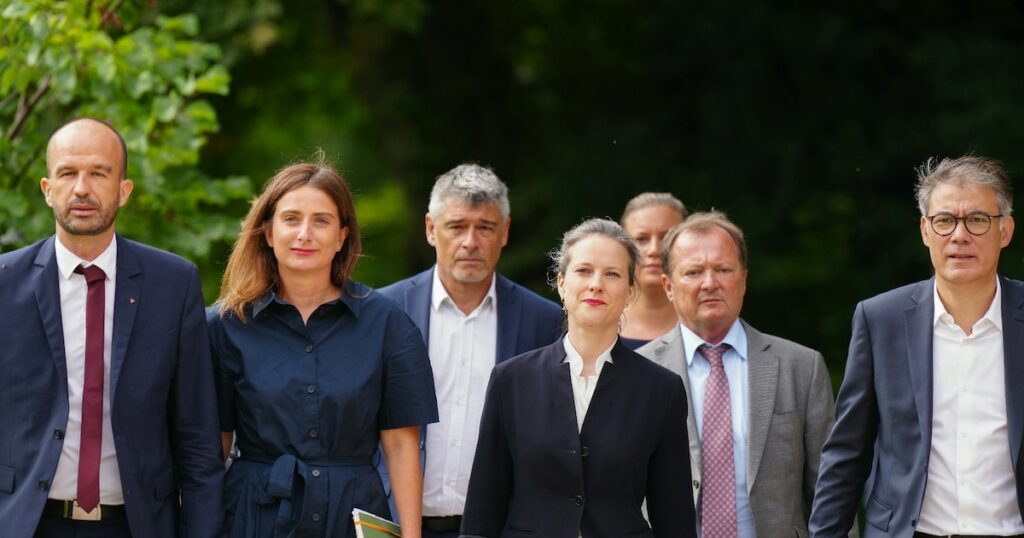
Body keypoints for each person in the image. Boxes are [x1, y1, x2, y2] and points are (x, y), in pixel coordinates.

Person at [0, 117, 224, 537]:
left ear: (123, 191)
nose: (82, 188)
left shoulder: (173, 285)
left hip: (136, 526)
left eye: (98, 173)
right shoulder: (4, 284)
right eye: (68, 173)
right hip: (24, 523)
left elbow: (197, 438)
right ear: (48, 190)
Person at [208, 159, 439, 538]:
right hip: (254, 516)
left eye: (321, 221)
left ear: (342, 236)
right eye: (291, 219)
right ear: (267, 232)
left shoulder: (387, 324)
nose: (305, 234)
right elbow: (214, 445)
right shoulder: (225, 326)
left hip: (354, 516)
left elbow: (400, 445)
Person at [810, 156, 1024, 537]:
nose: (959, 236)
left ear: (1005, 230)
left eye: (977, 220)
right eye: (945, 221)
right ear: (925, 230)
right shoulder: (881, 320)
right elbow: (846, 454)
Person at [459, 218, 697, 538]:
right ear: (561, 284)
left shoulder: (661, 390)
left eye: (611, 274)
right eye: (584, 271)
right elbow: (482, 514)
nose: (596, 284)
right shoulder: (510, 380)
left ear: (630, 292)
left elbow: (675, 518)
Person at [377, 164, 562, 537]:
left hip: (502, 527)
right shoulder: (383, 312)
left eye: (486, 228)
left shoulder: (545, 322)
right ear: (431, 229)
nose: (471, 242)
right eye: (457, 226)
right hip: (396, 523)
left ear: (505, 232)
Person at [637, 211, 843, 537]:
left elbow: (831, 493)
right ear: (668, 286)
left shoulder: (800, 367)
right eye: (693, 272)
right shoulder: (636, 373)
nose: (710, 283)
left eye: (723, 269)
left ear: (744, 279)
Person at [620, 192, 687, 349]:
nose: (654, 250)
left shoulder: (706, 326)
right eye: (642, 239)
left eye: (666, 237)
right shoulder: (598, 323)